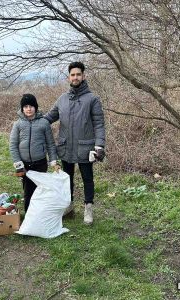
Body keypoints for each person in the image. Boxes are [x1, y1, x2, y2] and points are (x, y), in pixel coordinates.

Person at [45, 62, 106, 225]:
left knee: (87, 178)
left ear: (83, 76)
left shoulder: (92, 99)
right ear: (68, 77)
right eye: (73, 75)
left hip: (86, 147)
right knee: (67, 178)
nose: (75, 77)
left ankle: (88, 208)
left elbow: (99, 124)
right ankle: (69, 206)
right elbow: (49, 117)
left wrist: (99, 146)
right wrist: (33, 122)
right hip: (66, 146)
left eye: (78, 74)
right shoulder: (62, 99)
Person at [9, 94, 59, 213]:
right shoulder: (18, 124)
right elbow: (13, 145)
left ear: (35, 107)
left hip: (40, 163)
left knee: (40, 190)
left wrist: (53, 161)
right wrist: (18, 163)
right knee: (28, 191)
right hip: (25, 164)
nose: (28, 108)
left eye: (31, 106)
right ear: (22, 109)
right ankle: (29, 216)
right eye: (25, 106)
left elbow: (50, 144)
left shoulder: (44, 123)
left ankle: (40, 215)